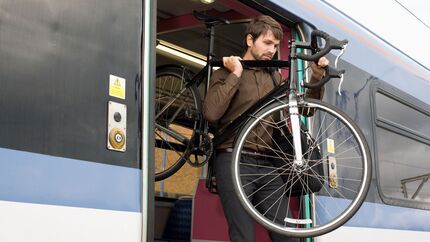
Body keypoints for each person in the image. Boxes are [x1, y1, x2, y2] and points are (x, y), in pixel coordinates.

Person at [203, 15, 328, 242]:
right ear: (250, 40)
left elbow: (306, 111)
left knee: (287, 236)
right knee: (243, 235)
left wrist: (317, 77)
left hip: (268, 164)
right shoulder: (224, 73)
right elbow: (211, 113)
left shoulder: (275, 79)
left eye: (276, 45)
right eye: (267, 43)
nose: (272, 50)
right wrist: (236, 74)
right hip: (233, 160)